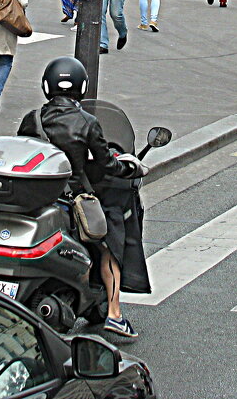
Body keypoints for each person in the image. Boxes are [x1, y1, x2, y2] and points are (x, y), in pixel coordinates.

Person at [16, 56, 150, 338]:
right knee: (107, 249)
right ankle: (114, 314)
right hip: (75, 198)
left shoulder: (33, 118)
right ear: (82, 87)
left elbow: (23, 151)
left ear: (46, 86)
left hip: (39, 197)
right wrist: (127, 165)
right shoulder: (87, 122)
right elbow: (106, 164)